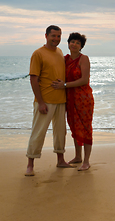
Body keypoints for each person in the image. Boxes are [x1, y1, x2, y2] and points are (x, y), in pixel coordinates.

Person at [25, 25, 74, 176]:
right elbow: (34, 79)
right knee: (38, 133)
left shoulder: (60, 52)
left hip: (60, 100)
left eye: (59, 36)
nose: (56, 39)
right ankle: (30, 164)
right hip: (45, 101)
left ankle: (60, 159)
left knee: (60, 133)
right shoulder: (38, 54)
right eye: (53, 36)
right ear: (46, 36)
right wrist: (40, 102)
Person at [52, 32, 94, 171]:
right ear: (68, 44)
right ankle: (78, 156)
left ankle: (86, 161)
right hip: (69, 98)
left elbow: (83, 80)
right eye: (72, 42)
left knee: (85, 128)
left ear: (81, 46)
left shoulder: (84, 59)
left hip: (83, 98)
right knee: (75, 127)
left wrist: (64, 85)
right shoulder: (64, 59)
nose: (74, 44)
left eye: (77, 43)